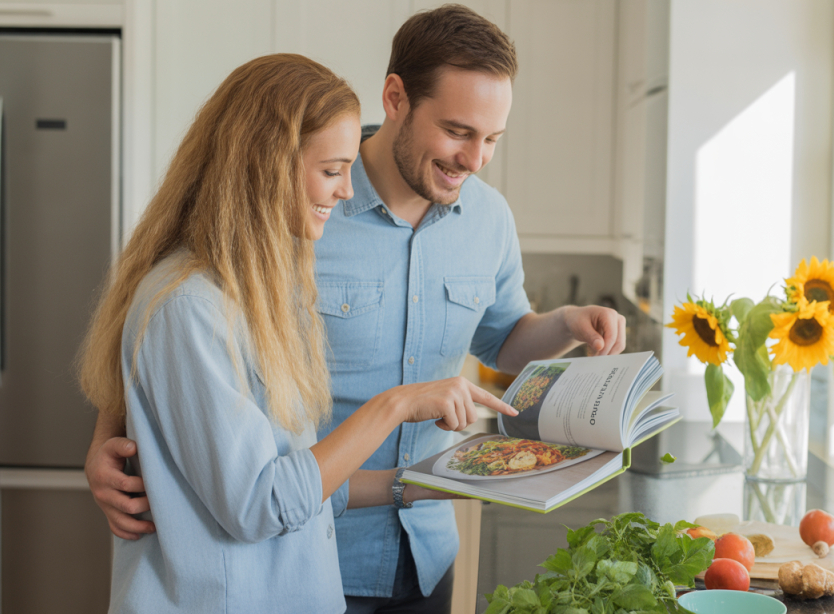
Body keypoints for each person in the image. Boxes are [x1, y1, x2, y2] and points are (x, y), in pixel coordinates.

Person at [87, 5, 628, 612]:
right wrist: (114, 435)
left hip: (417, 542)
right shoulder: (296, 212)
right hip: (294, 555)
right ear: (396, 97)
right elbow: (179, 349)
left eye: (492, 139)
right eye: (457, 131)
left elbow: (502, 339)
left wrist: (565, 326)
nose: (474, 160)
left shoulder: (488, 218)